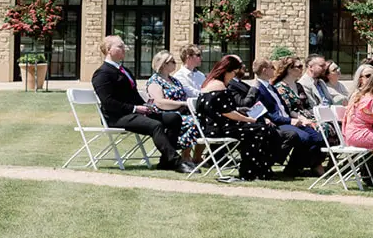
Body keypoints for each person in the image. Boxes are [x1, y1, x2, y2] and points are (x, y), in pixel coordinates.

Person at [90, 35, 186, 171]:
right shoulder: (102, 73)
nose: (125, 49)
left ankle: (165, 162)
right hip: (116, 117)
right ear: (108, 50)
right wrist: (135, 108)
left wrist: (146, 106)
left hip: (134, 113)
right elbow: (108, 102)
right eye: (120, 46)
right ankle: (176, 161)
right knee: (155, 125)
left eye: (124, 46)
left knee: (173, 118)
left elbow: (134, 95)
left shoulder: (125, 71)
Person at [197, 54, 286, 180]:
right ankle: (249, 170)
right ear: (227, 71)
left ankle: (259, 169)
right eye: (234, 72)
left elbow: (226, 109)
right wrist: (249, 119)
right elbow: (227, 112)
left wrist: (245, 112)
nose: (234, 75)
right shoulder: (218, 86)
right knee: (260, 129)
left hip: (217, 125)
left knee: (263, 127)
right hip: (218, 128)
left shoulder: (211, 83)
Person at [249, 58, 325, 174]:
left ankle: (294, 166)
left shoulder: (271, 87)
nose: (274, 70)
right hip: (279, 123)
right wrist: (290, 121)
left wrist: (298, 118)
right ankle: (282, 165)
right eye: (272, 67)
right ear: (265, 70)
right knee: (304, 137)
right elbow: (267, 114)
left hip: (289, 119)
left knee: (318, 137)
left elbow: (285, 107)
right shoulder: (258, 89)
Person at [144, 50, 202, 161]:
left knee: (204, 119)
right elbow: (160, 102)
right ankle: (180, 151)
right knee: (196, 122)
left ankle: (192, 156)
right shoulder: (155, 81)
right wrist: (182, 103)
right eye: (172, 61)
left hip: (182, 113)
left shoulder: (174, 80)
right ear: (163, 64)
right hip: (165, 115)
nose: (175, 64)